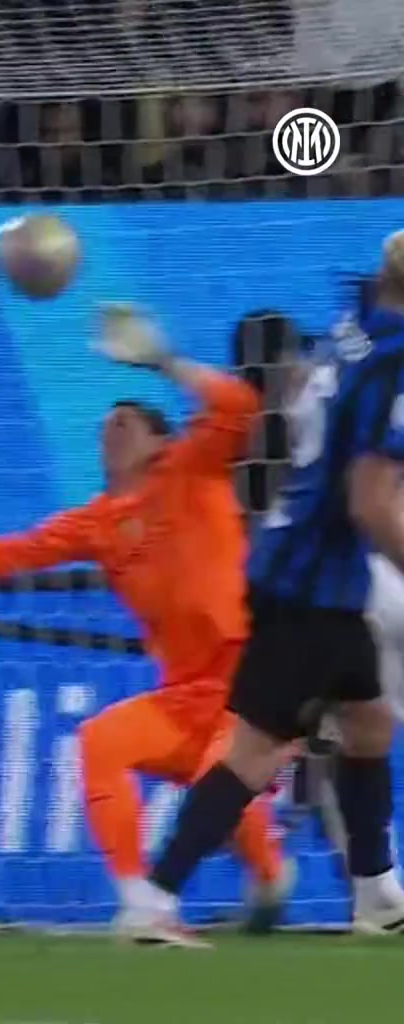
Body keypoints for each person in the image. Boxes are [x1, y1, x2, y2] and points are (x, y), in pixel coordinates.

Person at [0, 304, 288, 942]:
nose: (110, 432)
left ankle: (266, 880)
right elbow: (9, 555)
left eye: (125, 422)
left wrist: (162, 360)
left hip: (250, 679)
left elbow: (239, 405)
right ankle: (142, 901)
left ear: (161, 442)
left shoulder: (191, 469)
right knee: (102, 742)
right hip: (185, 693)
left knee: (224, 783)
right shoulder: (95, 522)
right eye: (104, 426)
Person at [127, 232, 404, 939]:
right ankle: (154, 900)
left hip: (314, 572)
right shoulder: (392, 363)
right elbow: (371, 502)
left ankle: (376, 892)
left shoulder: (351, 331)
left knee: (369, 723)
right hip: (308, 582)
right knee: (255, 751)